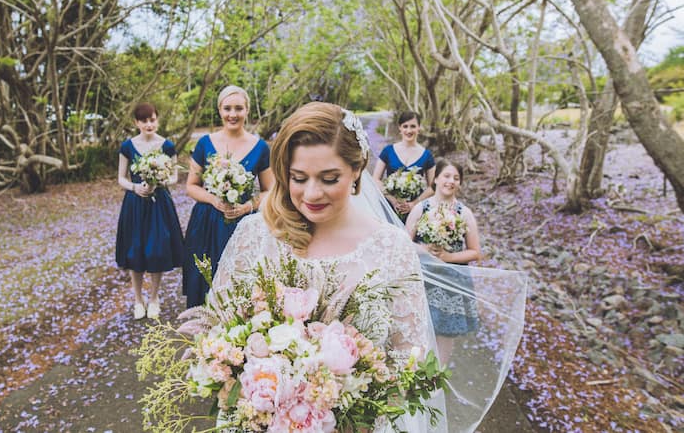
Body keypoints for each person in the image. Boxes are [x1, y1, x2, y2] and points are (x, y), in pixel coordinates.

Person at [211, 104, 528, 432]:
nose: (312, 193)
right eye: (298, 178)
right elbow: (219, 334)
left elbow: (410, 356)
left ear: (356, 169)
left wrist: (351, 407)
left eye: (329, 178)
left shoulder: (390, 247)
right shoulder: (255, 234)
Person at [182, 85, 274, 307]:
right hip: (206, 222)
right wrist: (214, 200)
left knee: (239, 282)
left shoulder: (260, 147)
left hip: (242, 224)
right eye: (227, 108)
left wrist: (246, 207)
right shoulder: (204, 143)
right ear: (219, 110)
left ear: (247, 110)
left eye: (238, 108)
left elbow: (270, 190)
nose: (233, 114)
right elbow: (191, 186)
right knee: (204, 277)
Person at [405, 159, 481, 366]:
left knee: (445, 332)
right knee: (418, 326)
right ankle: (412, 373)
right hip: (422, 277)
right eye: (446, 176)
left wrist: (448, 257)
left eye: (456, 178)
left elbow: (475, 252)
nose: (451, 181)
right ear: (436, 178)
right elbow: (404, 242)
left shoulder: (464, 213)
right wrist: (426, 251)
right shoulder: (421, 209)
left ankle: (437, 378)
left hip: (451, 282)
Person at [116, 102, 185, 320]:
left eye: (152, 119)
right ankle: (138, 300)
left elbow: (175, 176)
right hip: (135, 204)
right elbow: (120, 178)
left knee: (157, 250)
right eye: (144, 121)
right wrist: (135, 187)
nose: (149, 124)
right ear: (136, 123)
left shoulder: (167, 146)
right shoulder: (128, 147)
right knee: (135, 251)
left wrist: (159, 181)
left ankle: (154, 298)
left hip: (159, 202)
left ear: (157, 120)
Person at [372, 111, 436, 219]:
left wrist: (414, 203)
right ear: (400, 128)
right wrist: (392, 200)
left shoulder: (427, 155)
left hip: (416, 210)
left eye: (413, 126)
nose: (409, 130)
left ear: (419, 128)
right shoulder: (388, 151)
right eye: (405, 126)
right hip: (390, 208)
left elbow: (433, 187)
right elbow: (375, 179)